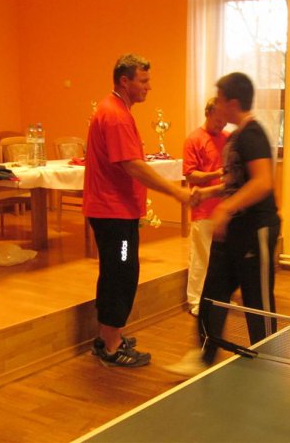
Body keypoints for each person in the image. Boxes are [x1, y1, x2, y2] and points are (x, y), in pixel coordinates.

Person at [164, 72, 280, 377]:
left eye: (219, 98)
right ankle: (204, 355)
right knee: (213, 294)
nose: (215, 104)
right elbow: (235, 183)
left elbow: (263, 183)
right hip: (233, 231)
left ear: (233, 102)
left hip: (256, 229)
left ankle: (269, 360)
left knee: (257, 301)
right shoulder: (236, 137)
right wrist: (209, 193)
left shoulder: (253, 134)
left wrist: (226, 208)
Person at [84, 54, 191, 367]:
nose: (149, 87)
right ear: (124, 81)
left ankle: (108, 336)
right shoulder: (115, 115)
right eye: (143, 81)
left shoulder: (116, 110)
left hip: (117, 211)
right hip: (113, 212)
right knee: (121, 273)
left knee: (117, 271)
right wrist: (176, 191)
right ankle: (111, 346)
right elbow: (132, 165)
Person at [183, 98, 228, 317]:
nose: (222, 125)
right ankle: (195, 300)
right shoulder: (194, 139)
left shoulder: (228, 138)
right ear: (208, 113)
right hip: (203, 208)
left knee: (221, 259)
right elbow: (190, 175)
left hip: (224, 209)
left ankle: (217, 298)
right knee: (201, 257)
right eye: (218, 120)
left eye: (225, 121)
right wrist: (216, 174)